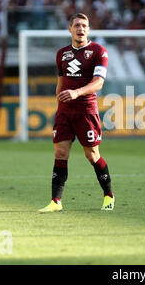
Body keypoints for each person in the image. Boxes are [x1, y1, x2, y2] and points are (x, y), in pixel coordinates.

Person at [39, 13, 114, 213]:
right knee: (60, 152)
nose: (81, 29)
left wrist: (76, 93)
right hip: (64, 112)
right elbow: (60, 83)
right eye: (77, 25)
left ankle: (108, 195)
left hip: (86, 111)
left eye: (84, 26)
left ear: (88, 30)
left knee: (92, 155)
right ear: (70, 29)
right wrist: (60, 99)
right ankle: (56, 201)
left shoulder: (99, 51)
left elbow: (98, 82)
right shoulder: (62, 53)